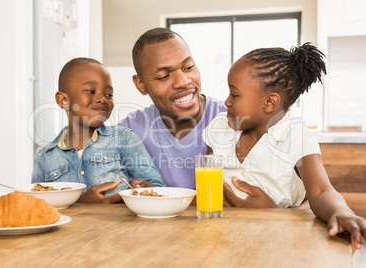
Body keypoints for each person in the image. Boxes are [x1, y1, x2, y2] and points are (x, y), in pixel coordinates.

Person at [203, 43, 366, 249]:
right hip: (220, 241)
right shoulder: (220, 127)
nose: (226, 101)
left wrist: (340, 212)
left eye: (234, 95)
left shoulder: (295, 134)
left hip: (278, 245)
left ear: (270, 102)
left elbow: (321, 192)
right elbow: (203, 183)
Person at [32, 57, 165, 203]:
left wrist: (144, 188)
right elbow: (37, 206)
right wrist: (82, 203)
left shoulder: (125, 139)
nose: (102, 99)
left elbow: (159, 190)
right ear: (63, 101)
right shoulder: (44, 158)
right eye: (90, 91)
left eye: (109, 94)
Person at [118, 27, 226, 189]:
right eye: (164, 76)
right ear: (141, 85)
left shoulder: (231, 119)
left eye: (188, 67)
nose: (183, 82)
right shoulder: (128, 132)